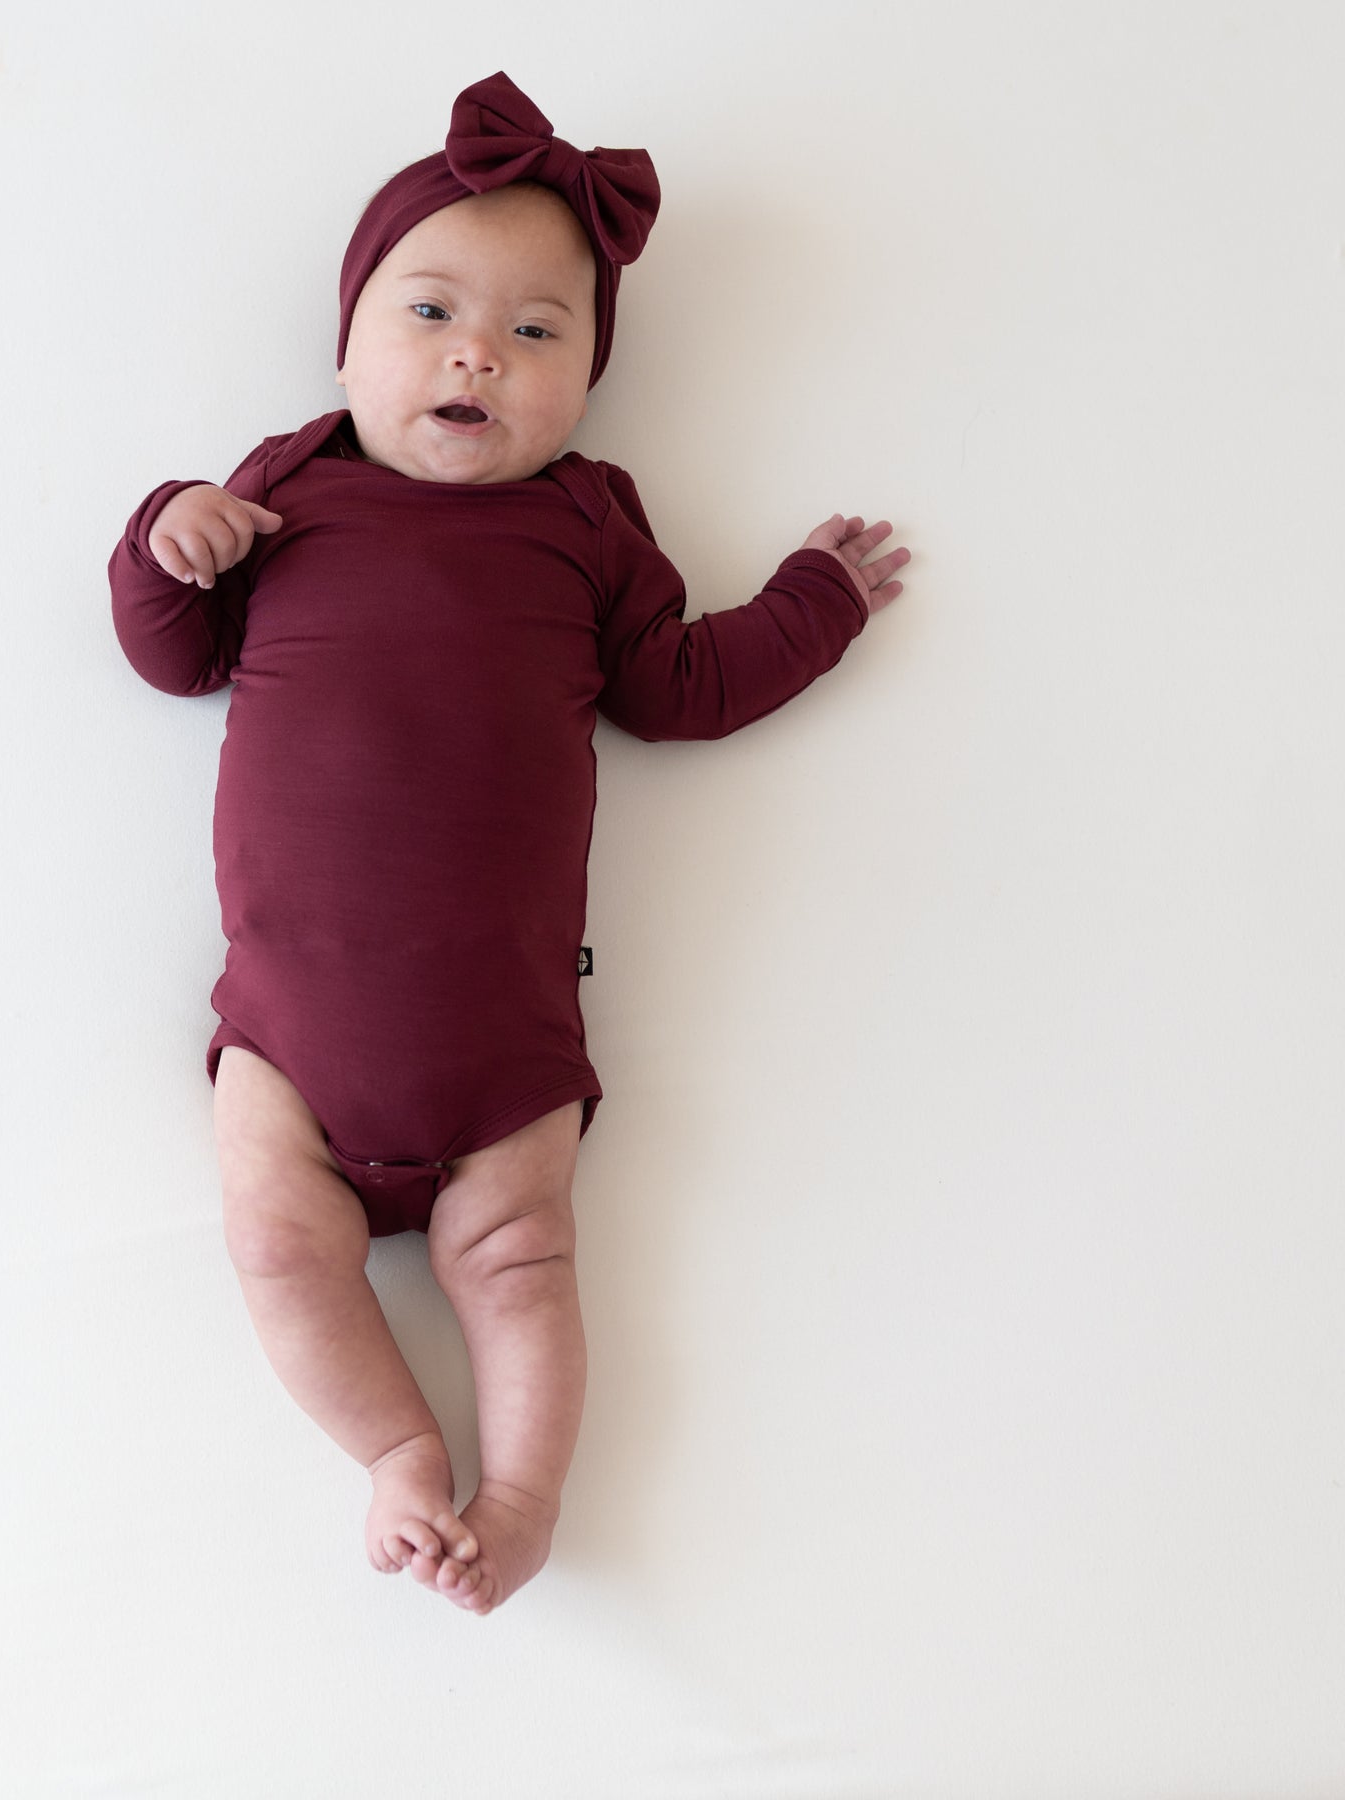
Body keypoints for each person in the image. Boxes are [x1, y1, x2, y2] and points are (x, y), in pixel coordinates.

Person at [109, 71, 908, 1615]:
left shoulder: (590, 523)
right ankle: (401, 1456)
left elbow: (680, 690)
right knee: (280, 1251)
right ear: (344, 347)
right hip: (286, 1040)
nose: (480, 350)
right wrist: (166, 538)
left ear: (589, 384)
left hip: (505, 1059)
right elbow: (173, 652)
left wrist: (810, 604)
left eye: (540, 333)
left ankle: (526, 1496)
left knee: (525, 1261)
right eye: (430, 314)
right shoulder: (285, 489)